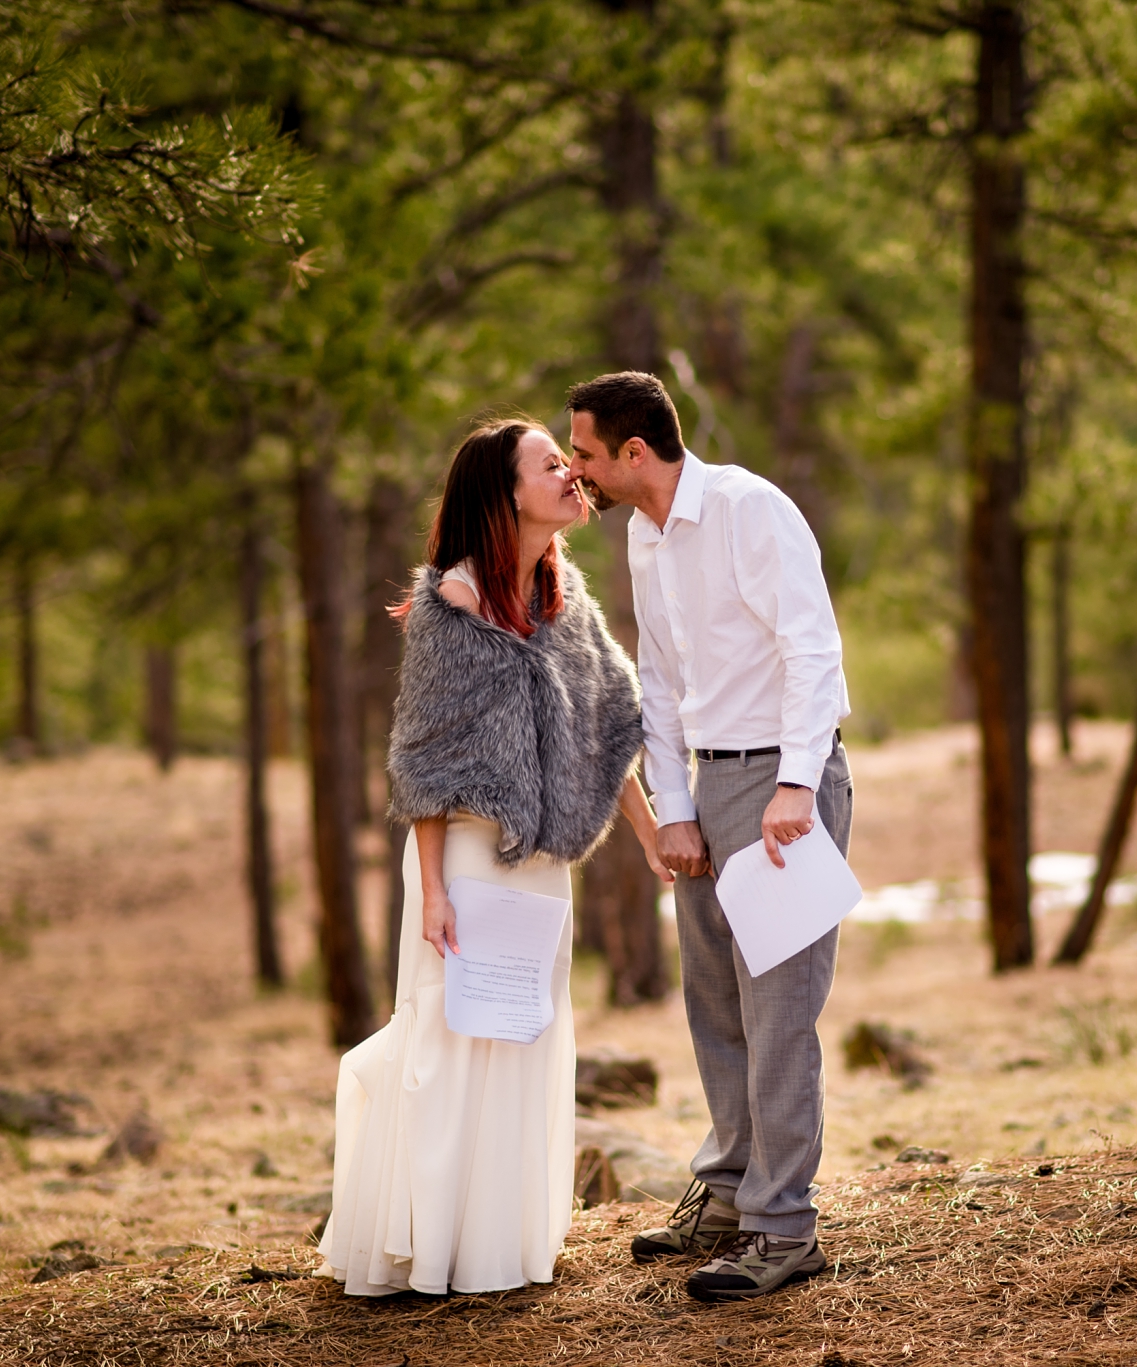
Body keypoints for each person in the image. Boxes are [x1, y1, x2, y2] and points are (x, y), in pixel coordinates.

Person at [317, 416, 668, 1297]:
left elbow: (606, 728)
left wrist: (652, 833)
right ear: (506, 492)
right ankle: (431, 1249)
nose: (570, 473)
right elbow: (423, 763)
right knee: (454, 1037)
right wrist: (432, 892)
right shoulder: (456, 601)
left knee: (528, 1038)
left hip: (542, 863)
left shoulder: (563, 595)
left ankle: (505, 1248)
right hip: (467, 860)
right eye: (552, 464)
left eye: (569, 459)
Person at [564, 371, 854, 1303]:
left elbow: (812, 647)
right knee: (716, 1001)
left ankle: (783, 1228)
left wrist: (799, 784)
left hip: (781, 784)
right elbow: (658, 679)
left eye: (587, 454)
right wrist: (674, 803)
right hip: (708, 782)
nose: (580, 472)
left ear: (635, 452)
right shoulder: (648, 537)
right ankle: (729, 1193)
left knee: (778, 1013)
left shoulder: (747, 509)